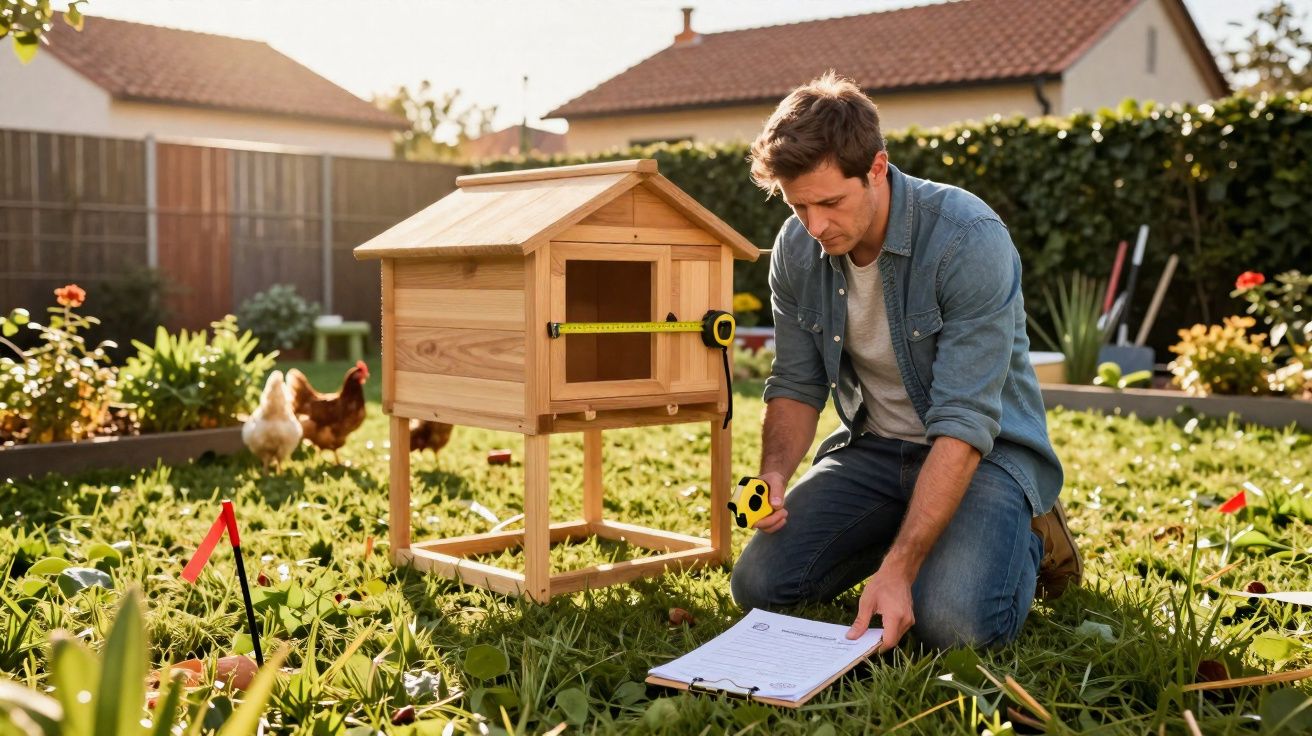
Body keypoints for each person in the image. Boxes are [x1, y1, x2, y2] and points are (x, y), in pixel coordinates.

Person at [729, 71, 1080, 651]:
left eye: (829, 202)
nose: (814, 226)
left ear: (875, 168)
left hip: (983, 456)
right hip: (875, 449)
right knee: (760, 584)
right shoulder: (797, 248)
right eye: (798, 206)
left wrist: (900, 570)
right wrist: (775, 475)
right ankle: (913, 527)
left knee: (955, 627)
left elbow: (965, 422)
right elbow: (795, 382)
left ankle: (1031, 528)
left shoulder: (968, 238)